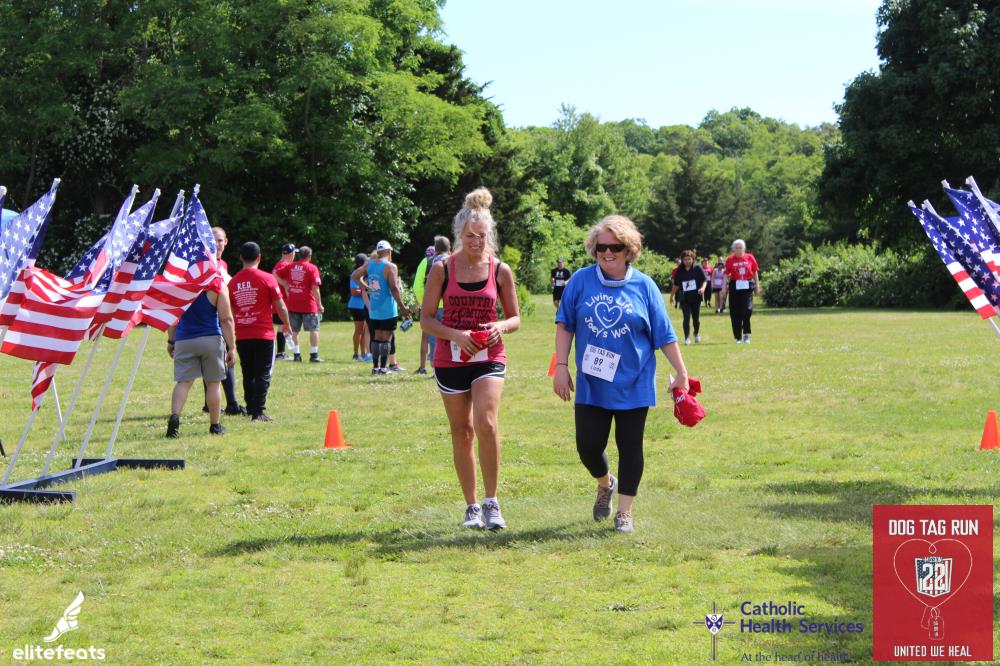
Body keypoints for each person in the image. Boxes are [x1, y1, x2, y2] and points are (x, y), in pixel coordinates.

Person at [553, 215, 689, 534]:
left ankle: (625, 512)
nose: (607, 253)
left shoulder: (645, 287)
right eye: (601, 247)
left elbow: (664, 334)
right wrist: (561, 366)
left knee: (630, 446)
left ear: (629, 249)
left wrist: (681, 372)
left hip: (634, 382)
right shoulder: (580, 281)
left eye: (615, 247)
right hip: (592, 383)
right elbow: (565, 324)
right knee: (588, 446)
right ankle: (605, 482)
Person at [421, 187, 520, 531]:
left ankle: (492, 502)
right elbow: (426, 319)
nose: (476, 242)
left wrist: (500, 327)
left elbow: (515, 318)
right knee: (462, 432)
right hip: (451, 358)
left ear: (489, 235)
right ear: (458, 236)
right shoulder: (442, 269)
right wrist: (456, 335)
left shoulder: (500, 270)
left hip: (488, 355)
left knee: (487, 423)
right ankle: (472, 506)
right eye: (469, 236)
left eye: (481, 236)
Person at [229, 242, 292, 422]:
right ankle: (258, 412)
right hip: (263, 334)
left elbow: (230, 312)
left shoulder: (233, 282)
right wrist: (287, 324)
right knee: (263, 373)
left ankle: (250, 407)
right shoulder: (267, 278)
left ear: (241, 258)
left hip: (242, 334)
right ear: (259, 258)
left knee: (248, 373)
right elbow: (280, 306)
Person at [166, 287, 237, 437]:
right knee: (213, 383)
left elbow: (172, 317)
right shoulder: (217, 286)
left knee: (183, 382)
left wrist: (171, 340)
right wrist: (232, 346)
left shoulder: (180, 285)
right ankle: (215, 426)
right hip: (211, 339)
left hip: (184, 339)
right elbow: (226, 319)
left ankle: (174, 419)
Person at [352, 241, 411, 375]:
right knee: (386, 338)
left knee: (377, 337)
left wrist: (364, 286)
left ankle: (375, 368)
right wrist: (402, 306)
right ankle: (384, 368)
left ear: (378, 252)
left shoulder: (370, 264)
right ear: (389, 252)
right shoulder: (390, 266)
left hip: (374, 309)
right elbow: (394, 288)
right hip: (388, 308)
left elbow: (355, 276)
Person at [208, 226, 245, 415]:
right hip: (211, 319)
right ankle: (232, 404)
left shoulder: (222, 264)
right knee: (225, 359)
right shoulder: (206, 263)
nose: (216, 243)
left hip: (221, 316)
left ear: (226, 241)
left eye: (219, 240)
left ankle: (210, 403)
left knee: (215, 361)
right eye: (213, 239)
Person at [275, 246, 325, 362]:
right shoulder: (312, 268)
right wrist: (319, 304)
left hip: (293, 302)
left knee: (294, 330)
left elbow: (275, 274)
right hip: (308, 304)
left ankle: (297, 354)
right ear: (309, 256)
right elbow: (315, 288)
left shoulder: (290, 266)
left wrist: (285, 284)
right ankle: (314, 355)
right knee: (314, 329)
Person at [720, 239, 761, 344]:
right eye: (736, 248)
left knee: (747, 309)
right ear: (733, 249)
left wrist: (757, 285)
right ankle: (738, 337)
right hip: (735, 285)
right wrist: (724, 288)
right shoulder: (730, 259)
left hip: (747, 284)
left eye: (740, 247)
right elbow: (726, 274)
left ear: (744, 248)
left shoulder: (750, 257)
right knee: (735, 312)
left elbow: (755, 271)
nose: (738, 249)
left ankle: (746, 334)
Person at [425, 235, 452, 365]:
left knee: (433, 336)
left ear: (435, 249)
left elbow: (421, 284)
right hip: (449, 304)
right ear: (449, 248)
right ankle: (451, 361)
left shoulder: (429, 262)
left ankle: (435, 364)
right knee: (451, 334)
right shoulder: (453, 261)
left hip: (433, 304)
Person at [671, 250, 707, 345]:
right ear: (682, 260)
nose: (687, 261)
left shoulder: (697, 268)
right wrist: (671, 296)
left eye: (689, 259)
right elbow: (676, 285)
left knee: (696, 318)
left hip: (696, 297)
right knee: (686, 317)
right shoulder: (679, 271)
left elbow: (704, 280)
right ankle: (687, 338)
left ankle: (696, 333)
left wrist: (703, 288)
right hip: (684, 298)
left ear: (693, 259)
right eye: (685, 259)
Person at [272, 243, 296, 360]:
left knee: (283, 326)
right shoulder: (284, 265)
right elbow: (274, 275)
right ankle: (280, 353)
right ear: (291, 253)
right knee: (283, 325)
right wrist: (285, 285)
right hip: (282, 301)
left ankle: (281, 352)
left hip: (280, 301)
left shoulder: (281, 264)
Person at [413, 245, 435, 374]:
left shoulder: (424, 263)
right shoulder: (444, 262)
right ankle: (440, 369)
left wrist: (421, 302)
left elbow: (418, 286)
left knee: (425, 338)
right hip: (444, 306)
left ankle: (422, 367)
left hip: (428, 305)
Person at [348, 253, 371, 362]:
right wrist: (367, 290)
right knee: (359, 330)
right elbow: (353, 291)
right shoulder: (355, 274)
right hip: (357, 306)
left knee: (365, 330)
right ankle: (356, 354)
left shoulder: (366, 273)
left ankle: (364, 353)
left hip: (365, 305)